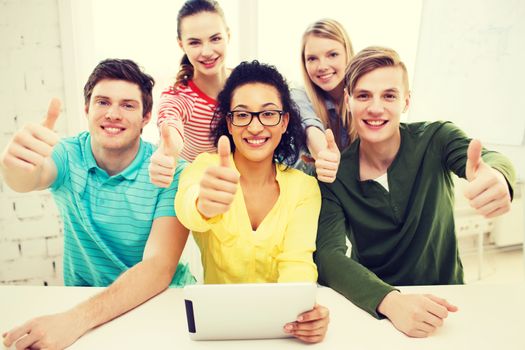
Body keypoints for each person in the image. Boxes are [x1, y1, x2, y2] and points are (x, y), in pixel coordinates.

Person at [315, 46, 515, 338]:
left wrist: (498, 176)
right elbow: (329, 257)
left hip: (449, 303)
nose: (375, 108)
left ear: (406, 101)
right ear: (347, 101)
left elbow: (491, 161)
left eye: (389, 95)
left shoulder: (436, 139)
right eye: (363, 95)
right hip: (377, 309)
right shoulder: (334, 175)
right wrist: (391, 302)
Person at [0, 59, 194, 350]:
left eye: (128, 105)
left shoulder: (169, 171)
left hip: (160, 300)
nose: (113, 114)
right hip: (84, 304)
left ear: (146, 117)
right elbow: (29, 178)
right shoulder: (66, 154)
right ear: (87, 109)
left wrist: (74, 321)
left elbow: (158, 268)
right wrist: (15, 166)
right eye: (103, 102)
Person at [175, 61, 330, 343]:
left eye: (268, 114)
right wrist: (203, 206)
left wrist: (305, 316)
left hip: (281, 330)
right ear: (229, 124)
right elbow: (187, 208)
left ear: (284, 122)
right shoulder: (205, 168)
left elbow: (298, 263)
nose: (256, 127)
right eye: (243, 115)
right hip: (219, 328)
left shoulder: (304, 188)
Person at [149, 0, 232, 188]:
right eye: (195, 43)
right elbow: (171, 125)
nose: (207, 52)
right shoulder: (178, 97)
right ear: (181, 45)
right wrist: (167, 151)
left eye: (215, 39)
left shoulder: (246, 84)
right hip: (196, 195)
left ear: (228, 35)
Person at [292, 18, 355, 183]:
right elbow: (311, 129)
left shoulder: (364, 94)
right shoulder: (298, 94)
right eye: (312, 58)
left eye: (332, 54)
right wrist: (325, 155)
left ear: (347, 53)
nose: (322, 66)